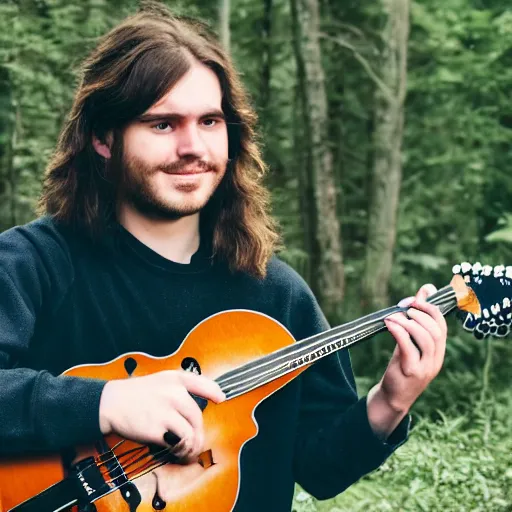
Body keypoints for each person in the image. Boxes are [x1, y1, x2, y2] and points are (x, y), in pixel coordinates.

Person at [0, 2, 447, 511]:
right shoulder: (31, 265)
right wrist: (106, 402)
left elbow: (319, 468)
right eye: (163, 124)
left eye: (210, 121)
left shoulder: (277, 297)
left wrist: (390, 401)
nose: (194, 146)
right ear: (104, 138)